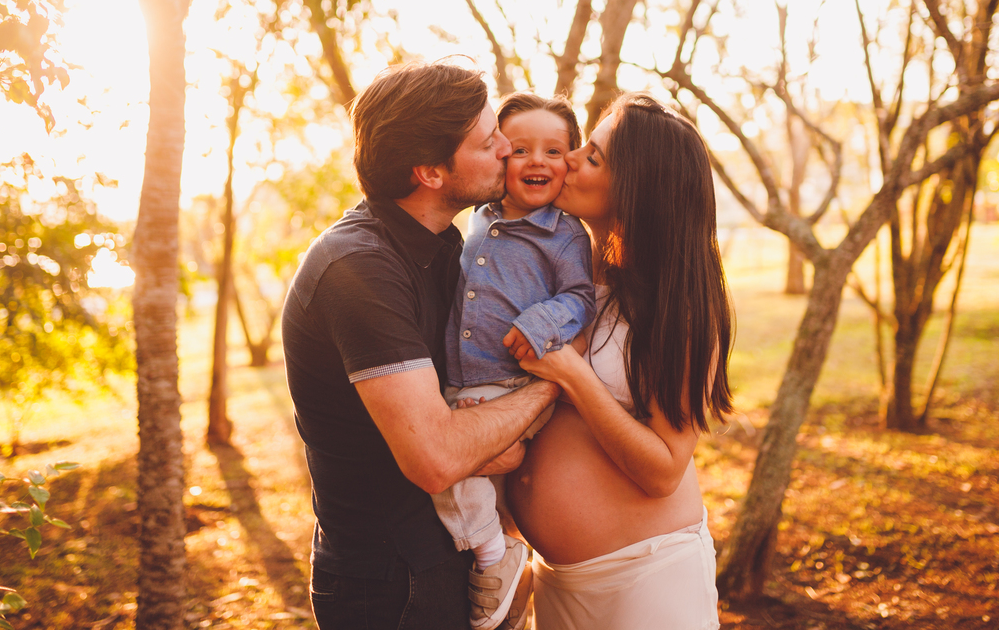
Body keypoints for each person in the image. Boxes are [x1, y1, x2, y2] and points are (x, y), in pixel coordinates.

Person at [281, 62, 561, 630]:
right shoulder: (358, 269)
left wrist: (484, 440)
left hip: (453, 557)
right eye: (488, 142)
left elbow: (459, 428)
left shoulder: (444, 249)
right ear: (430, 173)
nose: (508, 148)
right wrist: (552, 385)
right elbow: (437, 458)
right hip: (391, 584)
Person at [508, 93, 735, 630]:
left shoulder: (675, 305)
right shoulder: (565, 272)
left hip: (647, 583)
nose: (569, 160)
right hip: (558, 580)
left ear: (637, 190)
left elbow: (662, 470)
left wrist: (572, 375)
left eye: (592, 156)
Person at [436, 93, 596, 630]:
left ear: (569, 161)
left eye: (554, 151)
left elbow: (580, 297)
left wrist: (542, 322)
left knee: (451, 473)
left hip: (510, 382)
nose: (537, 161)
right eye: (520, 148)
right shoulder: (477, 220)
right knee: (475, 487)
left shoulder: (564, 233)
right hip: (463, 382)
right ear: (499, 155)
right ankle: (505, 566)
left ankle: (492, 558)